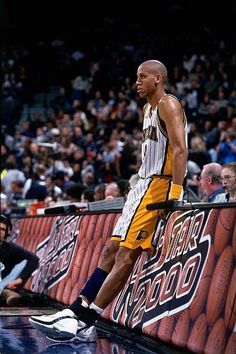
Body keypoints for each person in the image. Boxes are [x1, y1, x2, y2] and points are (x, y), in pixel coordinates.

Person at [29, 59, 188, 342]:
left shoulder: (168, 104)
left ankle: (85, 322)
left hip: (158, 186)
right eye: (136, 77)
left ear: (158, 79)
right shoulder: (147, 108)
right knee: (109, 250)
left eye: (143, 77)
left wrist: (175, 193)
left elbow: (180, 150)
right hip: (141, 184)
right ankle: (77, 309)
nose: (137, 82)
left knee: (127, 255)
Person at [0, 214, 39, 306]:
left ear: (7, 233)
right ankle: (4, 293)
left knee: (24, 262)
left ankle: (4, 292)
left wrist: (20, 279)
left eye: (2, 229)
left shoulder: (10, 248)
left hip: (3, 282)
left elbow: (34, 259)